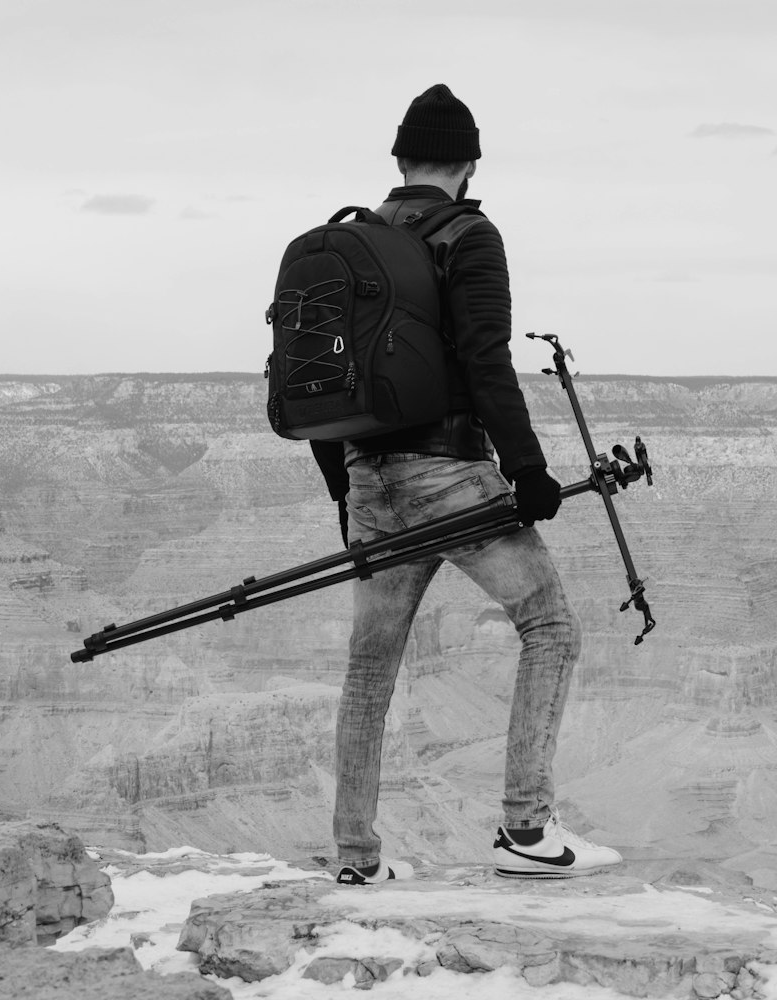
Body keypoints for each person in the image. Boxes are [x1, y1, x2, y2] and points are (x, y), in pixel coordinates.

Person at [310, 84, 623, 882]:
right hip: (449, 476)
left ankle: (355, 859)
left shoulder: (354, 242)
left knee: (368, 675)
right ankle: (526, 831)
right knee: (550, 626)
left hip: (368, 478)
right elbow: (486, 360)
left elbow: (314, 381)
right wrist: (528, 471)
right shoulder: (469, 236)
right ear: (471, 161)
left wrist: (349, 491)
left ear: (401, 161)